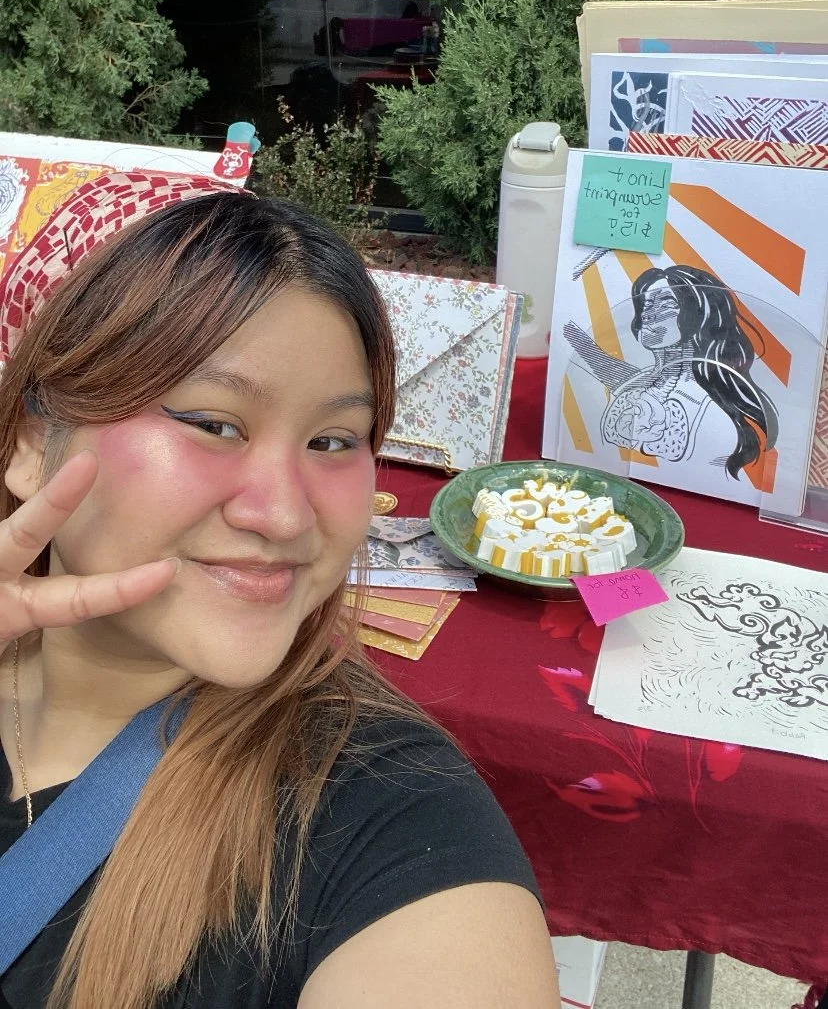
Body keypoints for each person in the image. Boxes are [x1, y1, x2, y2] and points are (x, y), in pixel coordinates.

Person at [0, 172, 560, 1009]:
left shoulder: (389, 817)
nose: (285, 512)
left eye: (334, 440)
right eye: (215, 424)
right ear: (32, 443)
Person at [564, 264, 778, 478]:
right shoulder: (635, 383)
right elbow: (599, 361)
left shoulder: (712, 413)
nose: (649, 315)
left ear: (699, 314)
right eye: (646, 306)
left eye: (665, 305)